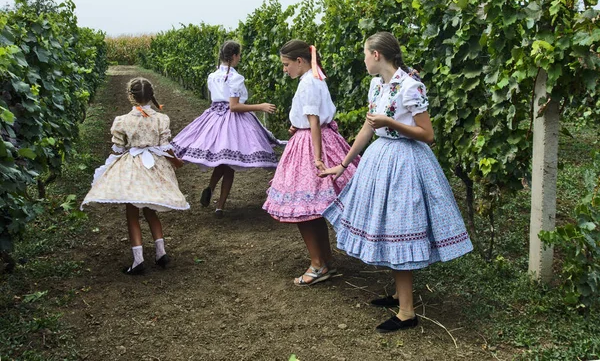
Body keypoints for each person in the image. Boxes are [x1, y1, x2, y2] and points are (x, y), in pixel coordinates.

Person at [320, 32, 473, 332]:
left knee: (401, 227)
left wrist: (391, 123)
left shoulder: (410, 86)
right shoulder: (377, 84)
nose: (364, 59)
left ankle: (407, 313)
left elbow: (428, 134)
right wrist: (342, 164)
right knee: (390, 227)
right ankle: (397, 295)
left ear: (377, 55)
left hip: (406, 163)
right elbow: (368, 126)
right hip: (381, 159)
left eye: (365, 54)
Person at [263, 40, 359, 286]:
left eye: (286, 65)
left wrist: (317, 158)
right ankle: (324, 260)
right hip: (317, 137)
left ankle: (318, 265)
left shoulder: (308, 83)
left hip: (309, 145)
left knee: (303, 209)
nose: (285, 70)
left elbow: (314, 122)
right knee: (314, 208)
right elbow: (311, 117)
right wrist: (297, 122)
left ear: (299, 61)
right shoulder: (316, 78)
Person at [81, 77, 189, 275]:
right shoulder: (160, 119)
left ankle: (138, 259)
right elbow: (165, 147)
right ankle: (160, 253)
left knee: (132, 212)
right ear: (151, 95)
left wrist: (110, 167)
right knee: (150, 210)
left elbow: (119, 148)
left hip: (133, 168)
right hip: (155, 167)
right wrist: (176, 162)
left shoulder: (122, 121)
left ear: (131, 96)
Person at [171, 40, 284, 217]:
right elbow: (234, 106)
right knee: (230, 163)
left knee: (223, 160)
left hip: (214, 117)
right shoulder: (236, 78)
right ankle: (220, 206)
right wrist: (260, 106)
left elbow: (216, 100)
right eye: (239, 55)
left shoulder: (212, 76)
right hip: (232, 121)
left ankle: (210, 188)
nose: (239, 58)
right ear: (233, 56)